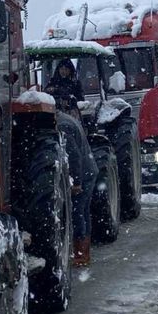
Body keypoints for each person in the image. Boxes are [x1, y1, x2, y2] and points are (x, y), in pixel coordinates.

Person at [56, 111, 97, 267]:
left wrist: (77, 182)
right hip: (89, 170)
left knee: (77, 212)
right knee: (84, 212)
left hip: (83, 173)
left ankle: (80, 254)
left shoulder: (62, 126)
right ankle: (85, 253)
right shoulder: (67, 119)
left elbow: (74, 155)